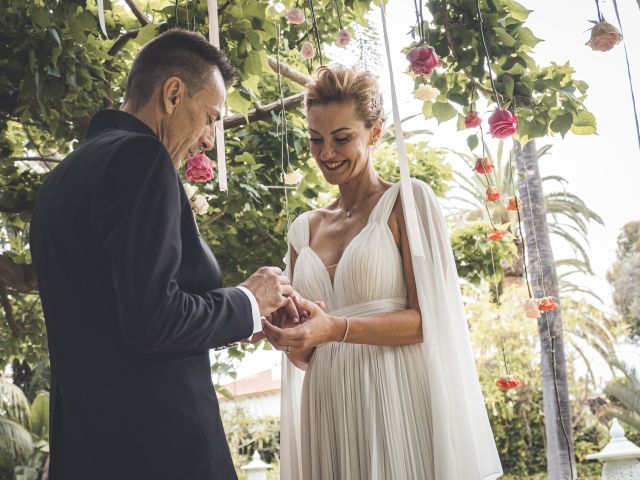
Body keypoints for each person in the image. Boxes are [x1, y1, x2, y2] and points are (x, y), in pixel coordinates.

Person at [29, 29, 296, 480]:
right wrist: (249, 299)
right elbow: (153, 321)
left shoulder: (63, 178)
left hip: (85, 449)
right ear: (173, 94)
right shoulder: (141, 157)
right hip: (162, 448)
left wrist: (244, 320)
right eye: (210, 117)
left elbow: (117, 315)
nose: (210, 138)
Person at [262, 66, 504, 479]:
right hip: (327, 405)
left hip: (394, 395)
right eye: (316, 140)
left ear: (374, 133)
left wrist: (335, 327)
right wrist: (290, 336)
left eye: (342, 138)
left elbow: (429, 321)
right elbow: (307, 357)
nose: (326, 154)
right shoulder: (303, 229)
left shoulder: (407, 201)